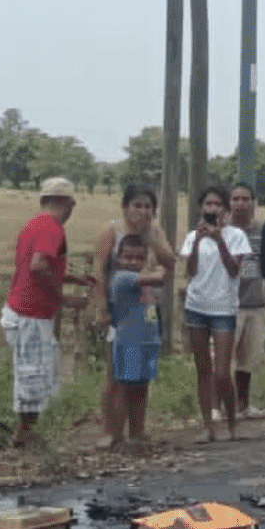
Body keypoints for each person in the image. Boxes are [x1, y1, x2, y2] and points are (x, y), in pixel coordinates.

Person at [1, 177, 91, 448]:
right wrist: (63, 299)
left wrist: (73, 279)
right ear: (70, 204)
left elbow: (43, 267)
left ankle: (27, 432)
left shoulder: (34, 224)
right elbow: (39, 267)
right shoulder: (53, 228)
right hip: (31, 313)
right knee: (33, 375)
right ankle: (24, 434)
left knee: (36, 373)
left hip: (22, 309)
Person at [93, 183, 175, 448]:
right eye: (137, 205)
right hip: (119, 312)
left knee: (140, 377)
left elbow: (170, 262)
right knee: (115, 375)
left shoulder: (155, 231)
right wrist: (102, 307)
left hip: (144, 311)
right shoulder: (112, 231)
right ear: (125, 207)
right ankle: (111, 431)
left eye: (148, 206)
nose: (142, 211)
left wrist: (151, 238)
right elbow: (99, 270)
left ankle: (137, 430)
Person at [181, 185, 252, 441]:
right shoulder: (192, 237)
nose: (212, 209)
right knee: (204, 370)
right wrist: (200, 240)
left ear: (225, 209)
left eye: (217, 205)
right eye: (208, 205)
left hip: (223, 307)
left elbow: (235, 270)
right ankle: (208, 426)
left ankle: (232, 423)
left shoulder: (236, 236)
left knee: (222, 373)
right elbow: (190, 270)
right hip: (197, 305)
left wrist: (219, 240)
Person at [106, 233, 165, 448]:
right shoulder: (122, 278)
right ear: (119, 258)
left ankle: (137, 432)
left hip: (147, 339)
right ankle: (117, 434)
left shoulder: (142, 280)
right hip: (129, 341)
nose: (132, 262)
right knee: (124, 387)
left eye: (138, 258)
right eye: (127, 257)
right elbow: (160, 277)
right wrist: (166, 262)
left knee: (141, 387)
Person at [227, 182, 265, 416]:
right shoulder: (222, 231)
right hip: (229, 303)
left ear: (254, 203)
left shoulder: (261, 229)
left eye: (246, 199)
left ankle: (243, 406)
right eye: (236, 199)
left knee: (248, 359)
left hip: (256, 301)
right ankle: (220, 407)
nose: (241, 204)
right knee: (225, 359)